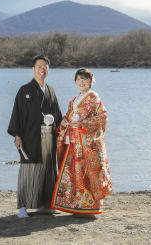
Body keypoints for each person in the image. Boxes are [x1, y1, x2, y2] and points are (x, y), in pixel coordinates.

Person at [51, 68, 112, 216]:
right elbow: (68, 116)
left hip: (87, 142)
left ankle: (90, 206)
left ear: (91, 81)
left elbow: (102, 117)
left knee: (87, 172)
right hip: (73, 140)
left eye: (84, 79)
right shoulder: (74, 100)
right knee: (74, 172)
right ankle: (77, 204)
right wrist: (65, 122)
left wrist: (83, 124)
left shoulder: (94, 97)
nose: (81, 82)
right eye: (79, 79)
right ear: (75, 82)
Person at [7, 55, 62, 218]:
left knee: (47, 170)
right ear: (33, 69)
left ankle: (44, 205)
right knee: (29, 169)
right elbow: (17, 114)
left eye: (45, 67)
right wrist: (17, 135)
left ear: (48, 70)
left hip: (48, 138)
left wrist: (64, 128)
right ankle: (23, 207)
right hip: (30, 137)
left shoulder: (50, 90)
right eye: (39, 67)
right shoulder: (24, 90)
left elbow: (57, 115)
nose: (42, 70)